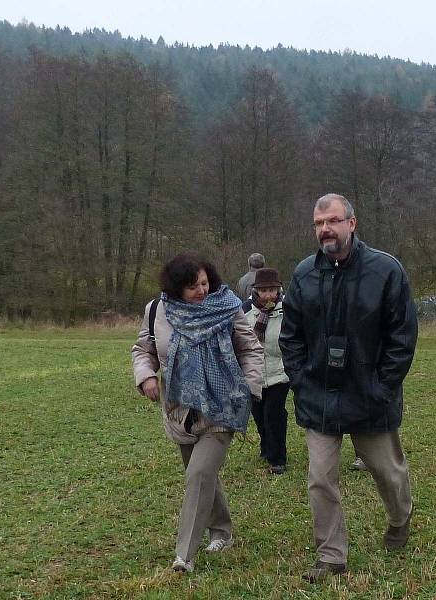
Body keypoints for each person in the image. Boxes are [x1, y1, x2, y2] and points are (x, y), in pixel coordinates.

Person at [279, 193, 418, 583]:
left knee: (387, 473)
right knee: (320, 477)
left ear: (352, 224)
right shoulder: (305, 273)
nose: (325, 229)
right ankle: (331, 555)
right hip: (319, 394)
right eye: (319, 223)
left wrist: (381, 386)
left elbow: (402, 337)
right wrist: (302, 380)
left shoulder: (385, 270)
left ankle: (399, 519)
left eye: (333, 221)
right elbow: (289, 337)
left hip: (369, 393)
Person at [132, 254, 264, 572]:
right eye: (192, 287)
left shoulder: (227, 306)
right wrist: (146, 375)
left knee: (199, 473)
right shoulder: (157, 311)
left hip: (223, 404)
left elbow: (250, 348)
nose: (201, 291)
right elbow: (143, 350)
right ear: (176, 288)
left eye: (204, 283)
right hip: (180, 409)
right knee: (202, 473)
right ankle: (222, 531)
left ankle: (185, 555)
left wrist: (250, 387)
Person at [243, 267, 290, 475]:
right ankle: (266, 446)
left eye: (272, 290)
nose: (269, 295)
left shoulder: (288, 310)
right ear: (256, 292)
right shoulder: (245, 311)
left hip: (280, 372)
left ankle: (278, 458)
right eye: (264, 290)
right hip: (254, 373)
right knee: (259, 415)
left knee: (274, 414)